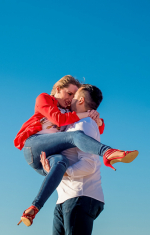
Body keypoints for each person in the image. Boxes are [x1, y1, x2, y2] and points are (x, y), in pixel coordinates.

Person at [15, 75, 139, 227]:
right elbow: (58, 119)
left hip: (49, 157)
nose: (71, 99)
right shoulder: (45, 99)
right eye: (69, 93)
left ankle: (34, 207)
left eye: (74, 95)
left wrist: (96, 118)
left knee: (62, 162)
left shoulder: (69, 110)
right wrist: (87, 114)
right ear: (58, 89)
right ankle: (107, 152)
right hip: (34, 146)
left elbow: (95, 128)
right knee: (74, 136)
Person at [41, 85, 107, 235]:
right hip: (66, 197)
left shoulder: (85, 124)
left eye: (74, 95)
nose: (70, 99)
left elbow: (89, 164)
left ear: (81, 100)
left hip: (81, 196)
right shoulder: (73, 124)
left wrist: (62, 173)